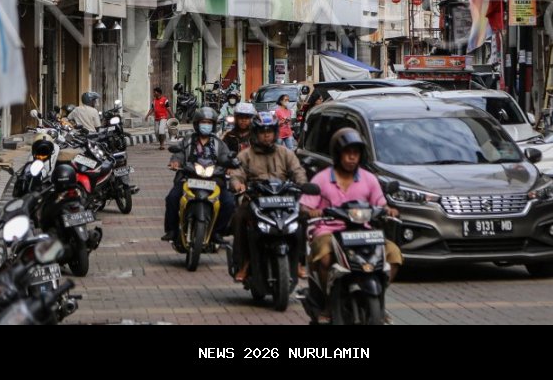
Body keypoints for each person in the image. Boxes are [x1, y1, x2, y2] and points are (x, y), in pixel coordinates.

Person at [301, 128, 402, 323]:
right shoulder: (322, 178)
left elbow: (380, 203)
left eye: (355, 153)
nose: (351, 158)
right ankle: (329, 302)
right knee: (324, 257)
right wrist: (312, 211)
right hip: (329, 231)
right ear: (338, 155)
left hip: (363, 233)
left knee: (394, 254)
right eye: (347, 153)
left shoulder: (368, 178)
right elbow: (305, 206)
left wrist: (389, 210)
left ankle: (378, 298)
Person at [231, 111, 307, 283]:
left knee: (303, 216)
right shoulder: (246, 154)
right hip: (255, 200)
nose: (266, 136)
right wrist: (238, 184)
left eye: (270, 132)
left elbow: (298, 171)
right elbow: (237, 173)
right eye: (263, 132)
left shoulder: (285, 153)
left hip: (284, 199)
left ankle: (299, 262)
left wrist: (302, 184)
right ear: (256, 134)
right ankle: (245, 263)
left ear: (275, 133)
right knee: (239, 219)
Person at [162, 107, 235, 243]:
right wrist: (175, 162)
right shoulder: (188, 140)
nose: (205, 125)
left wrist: (229, 166)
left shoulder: (219, 143)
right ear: (196, 124)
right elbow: (179, 153)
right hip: (189, 177)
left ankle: (217, 232)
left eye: (209, 122)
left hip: (214, 179)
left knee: (229, 202)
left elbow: (225, 157)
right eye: (203, 122)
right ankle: (171, 230)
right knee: (172, 198)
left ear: (213, 125)